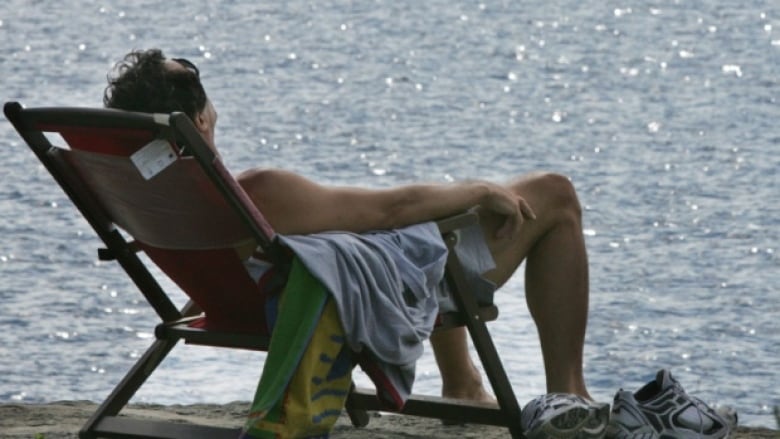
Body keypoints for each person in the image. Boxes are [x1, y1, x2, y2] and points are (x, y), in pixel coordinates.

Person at [104, 49, 606, 437]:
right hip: (362, 305)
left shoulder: (156, 198)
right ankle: (569, 394)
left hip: (246, 304)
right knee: (554, 194)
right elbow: (391, 209)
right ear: (200, 121)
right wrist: (477, 188)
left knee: (412, 229)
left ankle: (465, 387)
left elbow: (385, 219)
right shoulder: (259, 193)